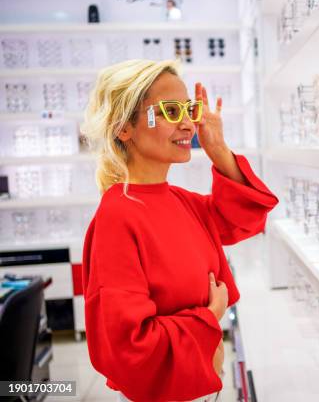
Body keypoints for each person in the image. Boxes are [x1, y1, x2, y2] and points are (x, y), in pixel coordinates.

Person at [80, 59, 278, 401]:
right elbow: (128, 346)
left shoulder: (180, 201)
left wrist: (217, 148)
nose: (188, 124)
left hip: (199, 382)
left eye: (188, 109)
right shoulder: (118, 217)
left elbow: (245, 219)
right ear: (123, 127)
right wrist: (210, 315)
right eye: (170, 111)